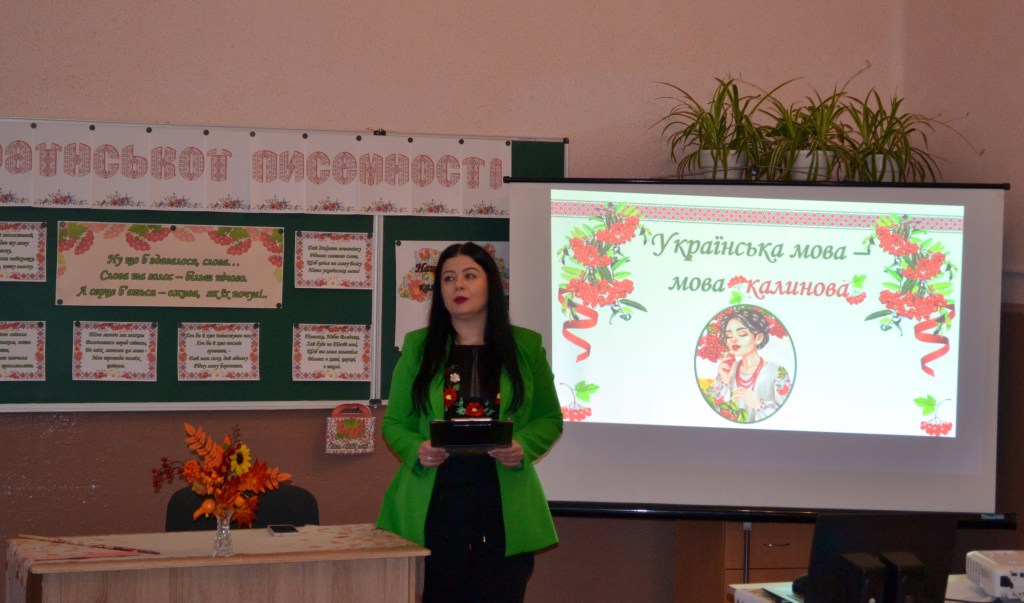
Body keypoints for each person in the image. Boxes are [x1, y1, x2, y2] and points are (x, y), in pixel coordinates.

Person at [377, 242, 563, 603]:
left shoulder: (526, 346)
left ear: (491, 284)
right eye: (448, 279)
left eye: (469, 276)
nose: (458, 285)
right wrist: (417, 449)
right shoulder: (418, 347)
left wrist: (523, 446)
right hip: (438, 498)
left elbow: (549, 418)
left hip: (503, 498)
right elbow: (394, 424)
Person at [709, 306, 792, 422]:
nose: (733, 340)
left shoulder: (777, 371)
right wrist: (725, 381)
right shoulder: (728, 370)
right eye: (729, 335)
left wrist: (758, 405)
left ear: (758, 338)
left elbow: (788, 414)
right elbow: (709, 410)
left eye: (742, 334)